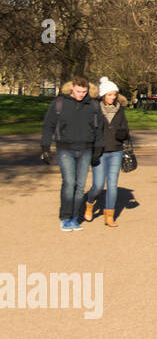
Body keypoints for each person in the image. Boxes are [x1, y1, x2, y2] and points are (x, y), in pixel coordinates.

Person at [40, 76, 104, 232]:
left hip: (86, 149)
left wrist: (98, 149)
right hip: (65, 148)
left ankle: (75, 218)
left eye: (84, 91)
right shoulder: (59, 103)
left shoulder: (94, 105)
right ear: (72, 88)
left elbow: (99, 129)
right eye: (78, 91)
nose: (81, 94)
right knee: (69, 183)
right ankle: (65, 217)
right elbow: (48, 125)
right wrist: (45, 147)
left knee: (80, 185)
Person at [83, 76, 131, 227]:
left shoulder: (119, 109)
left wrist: (123, 134)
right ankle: (89, 203)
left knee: (112, 185)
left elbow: (125, 128)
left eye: (114, 94)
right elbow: (88, 130)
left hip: (116, 151)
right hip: (99, 151)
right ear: (103, 95)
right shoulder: (94, 109)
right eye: (109, 95)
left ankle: (109, 215)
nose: (112, 97)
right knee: (97, 185)